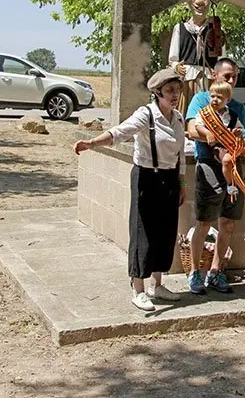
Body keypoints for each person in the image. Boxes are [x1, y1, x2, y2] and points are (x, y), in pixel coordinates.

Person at [73, 69, 187, 311]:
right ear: (158, 93)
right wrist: (92, 143)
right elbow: (120, 132)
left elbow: (181, 155)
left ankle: (158, 284)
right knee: (143, 230)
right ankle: (138, 288)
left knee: (165, 231)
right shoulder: (146, 114)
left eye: (177, 90)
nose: (175, 95)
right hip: (146, 176)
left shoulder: (178, 118)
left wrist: (182, 183)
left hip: (169, 178)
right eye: (169, 91)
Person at [185, 58, 245, 294]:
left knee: (228, 223)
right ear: (214, 75)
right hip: (208, 165)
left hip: (233, 167)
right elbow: (192, 130)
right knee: (204, 222)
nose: (232, 80)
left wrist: (243, 145)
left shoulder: (238, 108)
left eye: (235, 76)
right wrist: (213, 137)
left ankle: (216, 271)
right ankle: (195, 273)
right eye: (227, 76)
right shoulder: (201, 100)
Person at [169, 0, 224, 115]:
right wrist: (176, 66)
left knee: (208, 112)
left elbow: (221, 56)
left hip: (208, 78)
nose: (200, 2)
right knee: (185, 110)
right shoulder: (180, 28)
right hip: (188, 77)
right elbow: (173, 58)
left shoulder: (215, 28)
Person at [193, 80, 245, 190]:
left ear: (228, 100)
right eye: (212, 96)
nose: (215, 100)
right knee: (226, 160)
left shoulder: (232, 114)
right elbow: (198, 126)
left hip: (231, 145)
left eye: (219, 97)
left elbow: (239, 128)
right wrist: (208, 133)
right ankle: (230, 184)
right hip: (218, 147)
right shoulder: (205, 113)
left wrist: (237, 132)